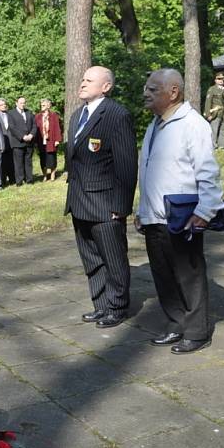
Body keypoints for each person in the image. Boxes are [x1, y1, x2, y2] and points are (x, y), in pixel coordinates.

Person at [136, 68, 224, 354]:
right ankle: (175, 323)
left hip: (182, 216)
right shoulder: (155, 125)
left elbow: (208, 172)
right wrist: (142, 209)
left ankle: (197, 331)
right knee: (163, 274)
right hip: (154, 216)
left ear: (173, 92)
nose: (145, 94)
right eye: (146, 89)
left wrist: (206, 210)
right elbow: (149, 171)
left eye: (152, 89)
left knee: (189, 274)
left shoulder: (192, 124)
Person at [65, 66, 138, 328]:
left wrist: (121, 205)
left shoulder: (117, 115)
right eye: (82, 78)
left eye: (89, 80)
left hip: (106, 203)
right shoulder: (77, 115)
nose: (82, 83)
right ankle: (101, 305)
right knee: (92, 259)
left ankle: (117, 307)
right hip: (80, 202)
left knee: (113, 259)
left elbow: (126, 164)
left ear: (106, 87)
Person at [7, 96, 37, 185]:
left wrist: (31, 135)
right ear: (16, 103)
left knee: (28, 162)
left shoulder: (29, 112)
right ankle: (19, 181)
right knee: (18, 163)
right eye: (21, 103)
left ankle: (29, 179)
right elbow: (12, 127)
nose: (23, 104)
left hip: (29, 141)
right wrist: (22, 136)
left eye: (24, 103)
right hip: (18, 142)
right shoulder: (11, 113)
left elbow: (34, 126)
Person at [36, 99, 62, 181]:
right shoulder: (37, 116)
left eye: (43, 105)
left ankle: (52, 174)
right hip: (41, 140)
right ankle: (44, 175)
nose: (41, 107)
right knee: (43, 158)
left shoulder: (54, 115)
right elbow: (35, 129)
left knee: (51, 157)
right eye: (41, 105)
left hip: (51, 140)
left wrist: (57, 140)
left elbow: (57, 128)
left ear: (48, 106)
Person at [0, 98, 15, 186]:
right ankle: (2, 181)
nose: (4, 106)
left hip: (11, 142)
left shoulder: (10, 115)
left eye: (5, 104)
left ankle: (12, 179)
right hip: (1, 143)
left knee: (11, 161)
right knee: (2, 163)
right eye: (2, 105)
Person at [203, 72, 224, 147]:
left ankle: (221, 145)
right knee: (214, 130)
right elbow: (208, 102)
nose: (221, 80)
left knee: (222, 130)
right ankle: (213, 145)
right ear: (215, 80)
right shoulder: (212, 89)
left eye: (222, 79)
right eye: (219, 79)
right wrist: (208, 114)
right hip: (216, 112)